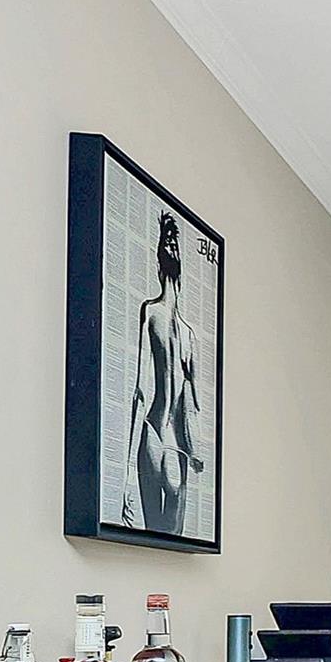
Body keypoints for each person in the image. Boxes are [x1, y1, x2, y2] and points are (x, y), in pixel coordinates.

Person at [121, 211, 203, 534]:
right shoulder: (188, 335)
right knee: (171, 538)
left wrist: (127, 471)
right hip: (175, 444)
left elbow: (141, 392)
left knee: (151, 537)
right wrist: (196, 453)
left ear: (158, 267)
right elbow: (191, 407)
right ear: (180, 273)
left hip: (152, 434)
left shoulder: (150, 312)